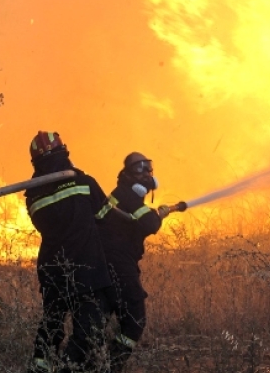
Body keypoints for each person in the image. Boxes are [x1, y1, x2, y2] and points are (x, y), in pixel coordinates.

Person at [24, 131, 112, 373]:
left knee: (51, 325)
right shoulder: (85, 183)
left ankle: (39, 368)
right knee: (89, 329)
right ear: (64, 152)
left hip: (53, 270)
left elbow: (46, 224)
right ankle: (68, 368)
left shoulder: (32, 196)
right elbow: (106, 219)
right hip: (86, 270)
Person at [95, 152, 169, 373]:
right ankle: (111, 367)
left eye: (148, 168)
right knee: (134, 319)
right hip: (119, 264)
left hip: (104, 264)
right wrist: (159, 214)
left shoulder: (120, 195)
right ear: (127, 174)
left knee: (98, 322)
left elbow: (132, 224)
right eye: (139, 168)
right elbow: (149, 224)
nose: (145, 174)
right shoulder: (127, 195)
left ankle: (92, 365)